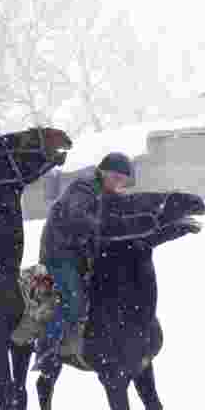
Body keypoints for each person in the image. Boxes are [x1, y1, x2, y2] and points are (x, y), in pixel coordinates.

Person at [33, 152, 134, 369]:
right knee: (73, 300)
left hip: (79, 252)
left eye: (123, 182)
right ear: (103, 173)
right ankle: (46, 348)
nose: (119, 185)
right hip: (59, 253)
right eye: (116, 179)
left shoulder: (104, 193)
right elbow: (78, 216)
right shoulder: (84, 187)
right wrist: (103, 227)